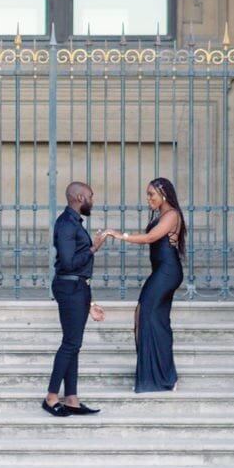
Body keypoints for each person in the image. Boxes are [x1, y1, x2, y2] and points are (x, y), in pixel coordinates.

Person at [103, 177, 186, 393]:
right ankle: (155, 374)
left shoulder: (171, 215)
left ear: (164, 195)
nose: (148, 198)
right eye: (148, 194)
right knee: (148, 317)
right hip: (161, 271)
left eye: (152, 194)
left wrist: (120, 235)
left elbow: (151, 238)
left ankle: (161, 377)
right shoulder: (162, 214)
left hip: (167, 272)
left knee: (146, 315)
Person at [42, 180, 108, 417]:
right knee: (70, 343)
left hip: (77, 288)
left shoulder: (73, 223)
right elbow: (69, 263)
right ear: (80, 198)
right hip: (69, 288)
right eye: (91, 196)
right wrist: (94, 248)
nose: (93, 200)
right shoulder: (67, 224)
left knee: (74, 344)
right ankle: (51, 397)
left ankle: (71, 398)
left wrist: (89, 302)